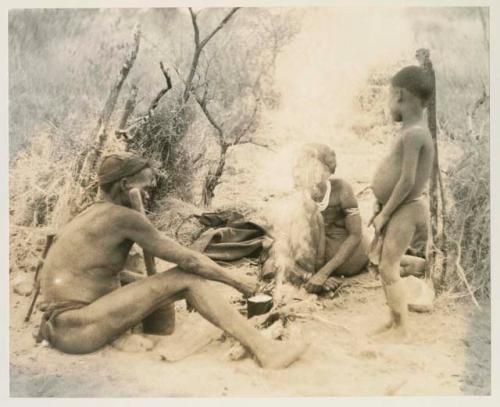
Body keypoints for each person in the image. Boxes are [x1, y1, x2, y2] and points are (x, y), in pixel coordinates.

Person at [38, 152, 307, 369]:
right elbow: (189, 261)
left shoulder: (91, 213)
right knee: (186, 279)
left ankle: (134, 336)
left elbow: (96, 273)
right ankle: (266, 351)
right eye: (144, 188)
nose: (147, 196)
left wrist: (157, 289)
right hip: (78, 328)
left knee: (146, 278)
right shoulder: (122, 218)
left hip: (63, 329)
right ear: (124, 186)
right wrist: (239, 282)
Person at [370, 65, 434, 339]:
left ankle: (401, 328)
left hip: (407, 209)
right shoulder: (411, 130)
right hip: (399, 206)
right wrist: (380, 203)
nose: (388, 104)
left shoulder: (415, 133)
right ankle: (395, 320)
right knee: (386, 266)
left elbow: (407, 181)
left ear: (398, 95)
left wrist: (385, 214)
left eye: (388, 98)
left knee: (388, 267)